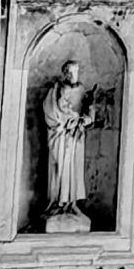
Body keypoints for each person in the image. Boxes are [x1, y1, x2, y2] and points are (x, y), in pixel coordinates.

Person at [42, 59, 94, 223]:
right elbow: (52, 111)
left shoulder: (82, 90)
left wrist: (86, 117)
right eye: (70, 72)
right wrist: (68, 120)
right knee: (61, 168)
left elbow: (88, 114)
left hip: (76, 136)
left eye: (76, 72)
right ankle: (58, 202)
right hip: (62, 136)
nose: (73, 75)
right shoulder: (57, 90)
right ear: (64, 74)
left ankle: (72, 203)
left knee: (75, 169)